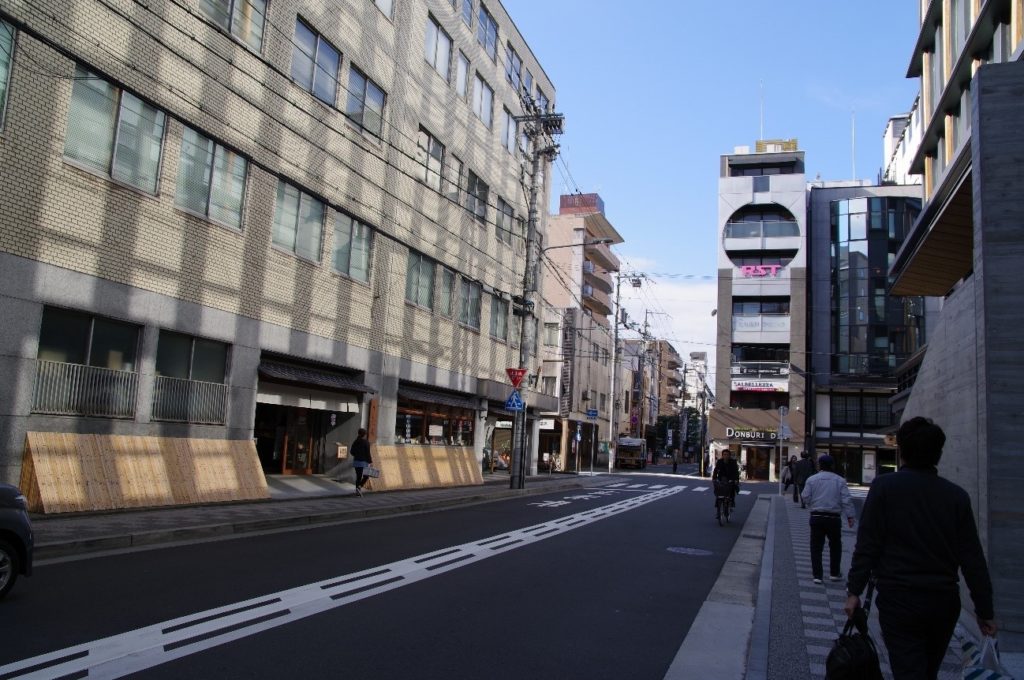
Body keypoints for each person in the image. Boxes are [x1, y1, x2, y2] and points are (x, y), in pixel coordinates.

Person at [844, 417, 996, 680]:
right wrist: (985, 611)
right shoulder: (956, 497)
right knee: (927, 670)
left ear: (901, 450)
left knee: (908, 669)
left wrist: (854, 591)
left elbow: (867, 545)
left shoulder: (884, 487)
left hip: (898, 599)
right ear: (938, 454)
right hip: (943, 601)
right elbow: (972, 559)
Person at [800, 455, 855, 584]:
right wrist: (850, 516)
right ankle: (834, 573)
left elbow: (805, 496)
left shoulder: (812, 479)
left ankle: (817, 575)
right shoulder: (840, 480)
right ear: (832, 466)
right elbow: (846, 500)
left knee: (816, 546)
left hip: (817, 516)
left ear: (819, 465)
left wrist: (811, 504)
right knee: (835, 545)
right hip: (834, 517)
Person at [711, 451, 740, 518]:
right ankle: (718, 508)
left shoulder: (733, 462)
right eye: (724, 454)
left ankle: (731, 503)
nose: (725, 456)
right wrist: (714, 478)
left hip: (731, 478)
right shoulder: (720, 461)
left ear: (729, 455)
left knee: (731, 490)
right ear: (722, 455)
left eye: (727, 454)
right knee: (719, 492)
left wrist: (736, 480)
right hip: (722, 478)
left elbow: (736, 472)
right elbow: (716, 470)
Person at [350, 428, 372, 496]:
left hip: (356, 462)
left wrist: (356, 455)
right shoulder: (366, 442)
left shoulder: (355, 442)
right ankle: (359, 487)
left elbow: (351, 452)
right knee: (366, 476)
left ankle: (357, 491)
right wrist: (370, 461)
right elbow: (368, 453)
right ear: (364, 435)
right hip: (363, 462)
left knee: (358, 477)